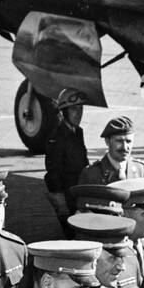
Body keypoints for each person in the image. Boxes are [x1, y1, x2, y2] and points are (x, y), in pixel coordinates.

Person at [43, 88, 89, 237]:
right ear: (64, 111)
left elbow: (83, 161)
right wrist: (60, 202)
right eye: (74, 109)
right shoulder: (56, 137)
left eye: (81, 108)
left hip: (81, 193)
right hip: (67, 198)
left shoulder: (78, 132)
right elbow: (52, 173)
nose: (79, 113)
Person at [78, 115, 144, 186]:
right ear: (107, 141)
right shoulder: (91, 174)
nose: (125, 147)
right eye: (119, 141)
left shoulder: (141, 170)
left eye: (128, 141)